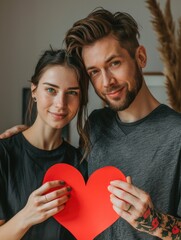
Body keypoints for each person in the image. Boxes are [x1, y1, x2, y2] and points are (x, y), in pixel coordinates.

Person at [1, 8, 181, 240]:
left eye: (114, 63)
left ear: (140, 57)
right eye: (94, 72)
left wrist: (153, 222)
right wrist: (24, 140)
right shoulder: (96, 125)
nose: (107, 82)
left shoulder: (176, 135)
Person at [0, 48, 89, 239]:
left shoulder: (81, 163)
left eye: (72, 92)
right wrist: (27, 215)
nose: (61, 103)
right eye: (51, 89)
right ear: (34, 91)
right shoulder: (4, 154)